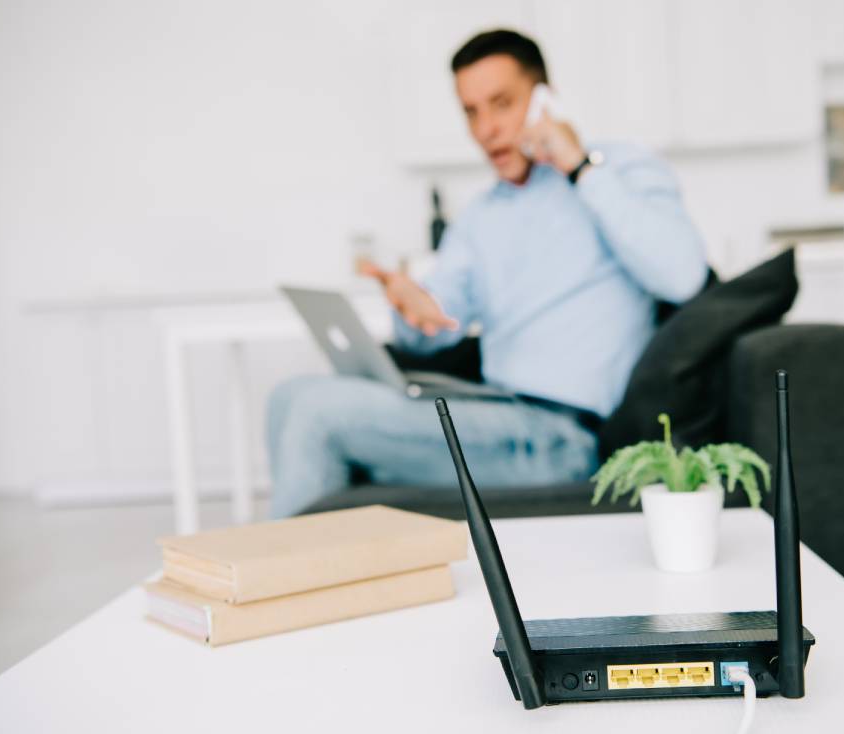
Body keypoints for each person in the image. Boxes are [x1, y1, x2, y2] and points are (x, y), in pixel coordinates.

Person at [267, 29, 708, 518]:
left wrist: (577, 164)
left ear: (545, 99)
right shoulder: (480, 218)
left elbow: (683, 276)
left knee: (316, 414)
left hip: (558, 438)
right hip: (494, 416)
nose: (486, 129)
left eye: (502, 104)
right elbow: (434, 327)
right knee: (289, 396)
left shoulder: (617, 170)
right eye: (471, 112)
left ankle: (267, 584)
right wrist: (415, 309)